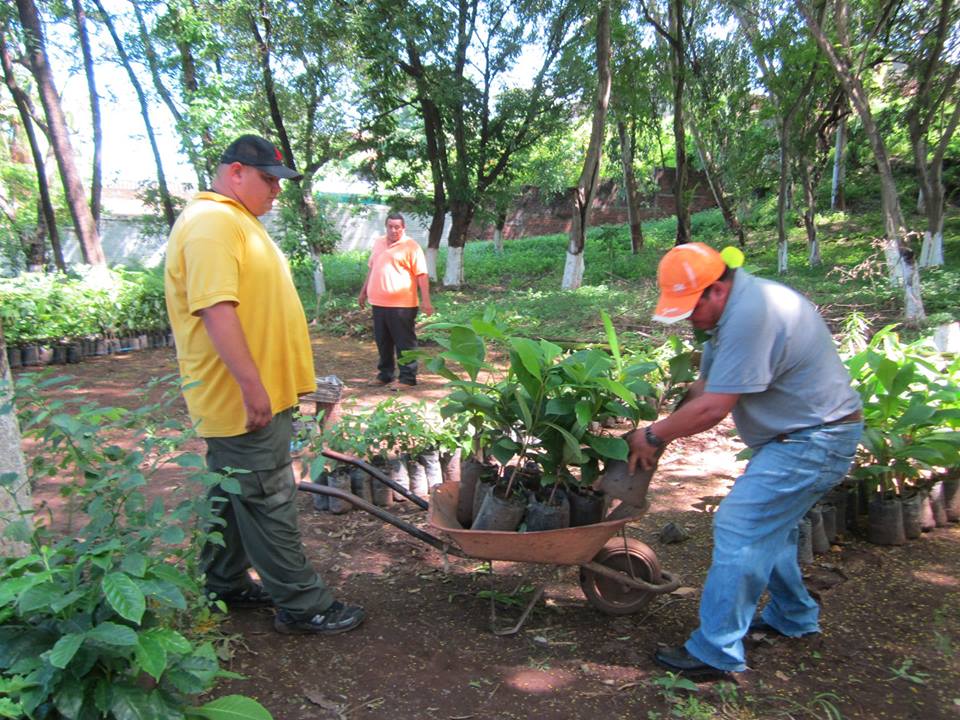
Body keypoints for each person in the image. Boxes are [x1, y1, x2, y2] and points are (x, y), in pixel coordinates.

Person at [628, 242, 862, 677]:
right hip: (802, 437)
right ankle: (793, 616)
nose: (688, 319)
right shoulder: (736, 308)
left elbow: (715, 408)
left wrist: (653, 435)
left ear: (715, 290)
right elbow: (704, 389)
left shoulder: (752, 316)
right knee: (769, 532)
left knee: (740, 525)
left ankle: (714, 653)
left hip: (814, 440)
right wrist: (661, 429)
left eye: (690, 307)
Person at [164, 134, 364, 635]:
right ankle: (304, 605)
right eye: (268, 179)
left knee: (234, 494)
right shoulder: (212, 224)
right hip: (242, 400)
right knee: (268, 496)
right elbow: (216, 309)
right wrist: (254, 388)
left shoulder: (234, 222)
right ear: (235, 172)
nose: (276, 190)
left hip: (254, 395)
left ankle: (224, 582)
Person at [358, 213, 434, 386]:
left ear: (403, 228)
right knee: (383, 342)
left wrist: (426, 301)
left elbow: (422, 275)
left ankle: (407, 378)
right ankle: (385, 375)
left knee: (404, 342)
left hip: (402, 305)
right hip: (378, 303)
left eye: (397, 227)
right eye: (390, 226)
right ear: (386, 227)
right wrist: (363, 292)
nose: (393, 230)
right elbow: (372, 269)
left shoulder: (411, 246)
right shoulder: (378, 242)